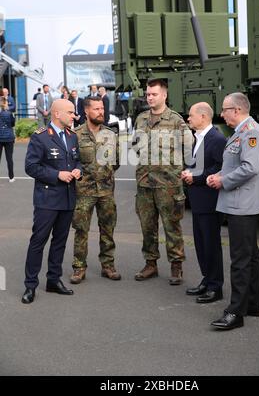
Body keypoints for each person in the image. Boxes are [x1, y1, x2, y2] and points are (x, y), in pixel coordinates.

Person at [207, 92, 259, 330]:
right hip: (240, 202)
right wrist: (220, 175)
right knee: (250, 255)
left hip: (243, 205)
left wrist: (222, 181)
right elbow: (236, 164)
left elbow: (250, 167)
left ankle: (235, 312)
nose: (222, 114)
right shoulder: (242, 132)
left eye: (224, 109)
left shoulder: (252, 132)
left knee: (240, 259)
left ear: (236, 110)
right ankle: (254, 303)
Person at [21, 99, 82, 304]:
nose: (74, 116)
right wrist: (57, 174)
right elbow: (31, 167)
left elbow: (77, 160)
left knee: (60, 241)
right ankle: (30, 285)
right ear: (57, 114)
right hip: (47, 199)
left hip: (67, 198)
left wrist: (77, 170)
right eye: (71, 112)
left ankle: (53, 280)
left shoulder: (72, 137)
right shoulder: (40, 138)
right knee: (38, 242)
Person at [133, 78, 193, 285]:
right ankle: (151, 264)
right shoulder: (140, 119)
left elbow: (188, 149)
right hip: (144, 183)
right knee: (147, 227)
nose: (149, 97)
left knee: (171, 226)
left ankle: (176, 266)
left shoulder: (176, 120)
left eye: (154, 94)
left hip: (168, 185)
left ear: (164, 95)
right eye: (147, 94)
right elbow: (135, 146)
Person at [70, 96, 121, 284]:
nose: (101, 112)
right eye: (97, 109)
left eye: (102, 109)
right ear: (86, 111)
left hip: (106, 190)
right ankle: (79, 267)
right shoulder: (75, 135)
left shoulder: (110, 134)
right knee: (81, 230)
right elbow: (71, 162)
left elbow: (116, 162)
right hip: (84, 191)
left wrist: (104, 174)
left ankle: (108, 265)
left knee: (107, 229)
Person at [181, 102, 226, 303]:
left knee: (211, 245)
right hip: (198, 201)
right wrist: (188, 171)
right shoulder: (198, 138)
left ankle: (216, 287)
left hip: (209, 201)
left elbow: (221, 168)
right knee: (201, 243)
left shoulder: (216, 139)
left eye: (191, 115)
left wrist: (195, 177)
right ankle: (207, 280)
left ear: (203, 117)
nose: (188, 119)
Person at [0, 97, 16, 182]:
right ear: (5, 103)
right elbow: (13, 124)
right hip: (9, 137)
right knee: (9, 158)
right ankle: (11, 177)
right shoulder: (9, 113)